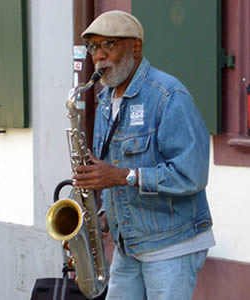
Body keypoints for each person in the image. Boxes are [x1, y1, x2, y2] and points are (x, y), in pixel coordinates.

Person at [72, 10, 215, 300]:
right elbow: (112, 176)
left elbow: (192, 173)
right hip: (130, 244)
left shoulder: (168, 95)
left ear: (135, 47)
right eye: (93, 47)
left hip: (171, 245)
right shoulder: (104, 101)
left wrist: (124, 176)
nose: (98, 56)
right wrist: (97, 220)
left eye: (108, 44)